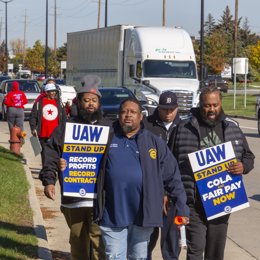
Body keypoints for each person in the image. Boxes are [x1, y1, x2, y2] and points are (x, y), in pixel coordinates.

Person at [95, 97, 190, 260]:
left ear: (141, 117)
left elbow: (173, 177)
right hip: (112, 213)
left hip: (143, 215)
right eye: (124, 112)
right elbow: (86, 163)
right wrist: (65, 165)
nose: (128, 115)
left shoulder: (154, 143)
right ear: (118, 116)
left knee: (138, 257)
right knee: (114, 256)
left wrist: (182, 208)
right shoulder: (105, 139)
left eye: (133, 112)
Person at [173, 86, 255, 260]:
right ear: (200, 104)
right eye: (207, 105)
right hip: (193, 200)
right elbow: (169, 161)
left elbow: (248, 156)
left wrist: (243, 166)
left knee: (215, 252)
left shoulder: (232, 128)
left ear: (220, 104)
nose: (211, 109)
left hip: (221, 199)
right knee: (196, 248)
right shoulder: (183, 127)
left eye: (215, 105)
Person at [40, 75, 110, 260]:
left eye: (94, 100)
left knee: (99, 243)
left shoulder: (109, 128)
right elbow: (51, 154)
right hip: (73, 198)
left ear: (99, 103)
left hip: (100, 199)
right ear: (79, 102)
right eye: (86, 100)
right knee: (78, 241)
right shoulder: (66, 127)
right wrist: (49, 180)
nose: (90, 104)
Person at [143, 91, 182, 260]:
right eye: (164, 109)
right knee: (146, 240)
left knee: (171, 242)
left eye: (172, 109)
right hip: (150, 192)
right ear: (157, 107)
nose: (168, 113)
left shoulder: (184, 127)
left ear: (177, 108)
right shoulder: (145, 126)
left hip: (174, 192)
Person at [29, 82, 66, 167]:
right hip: (43, 134)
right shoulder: (39, 103)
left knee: (57, 154)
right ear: (46, 92)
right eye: (51, 91)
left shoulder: (59, 103)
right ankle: (46, 171)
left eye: (54, 91)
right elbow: (33, 117)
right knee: (45, 155)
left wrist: (64, 129)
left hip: (57, 135)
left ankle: (54, 170)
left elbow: (64, 118)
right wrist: (33, 128)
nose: (53, 93)